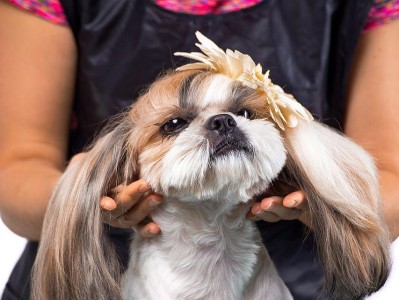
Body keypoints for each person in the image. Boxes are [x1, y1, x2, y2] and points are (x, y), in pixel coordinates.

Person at [0, 0, 398, 299]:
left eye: (243, 112)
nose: (224, 124)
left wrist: (331, 201)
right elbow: (20, 162)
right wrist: (91, 200)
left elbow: (391, 171)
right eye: (174, 125)